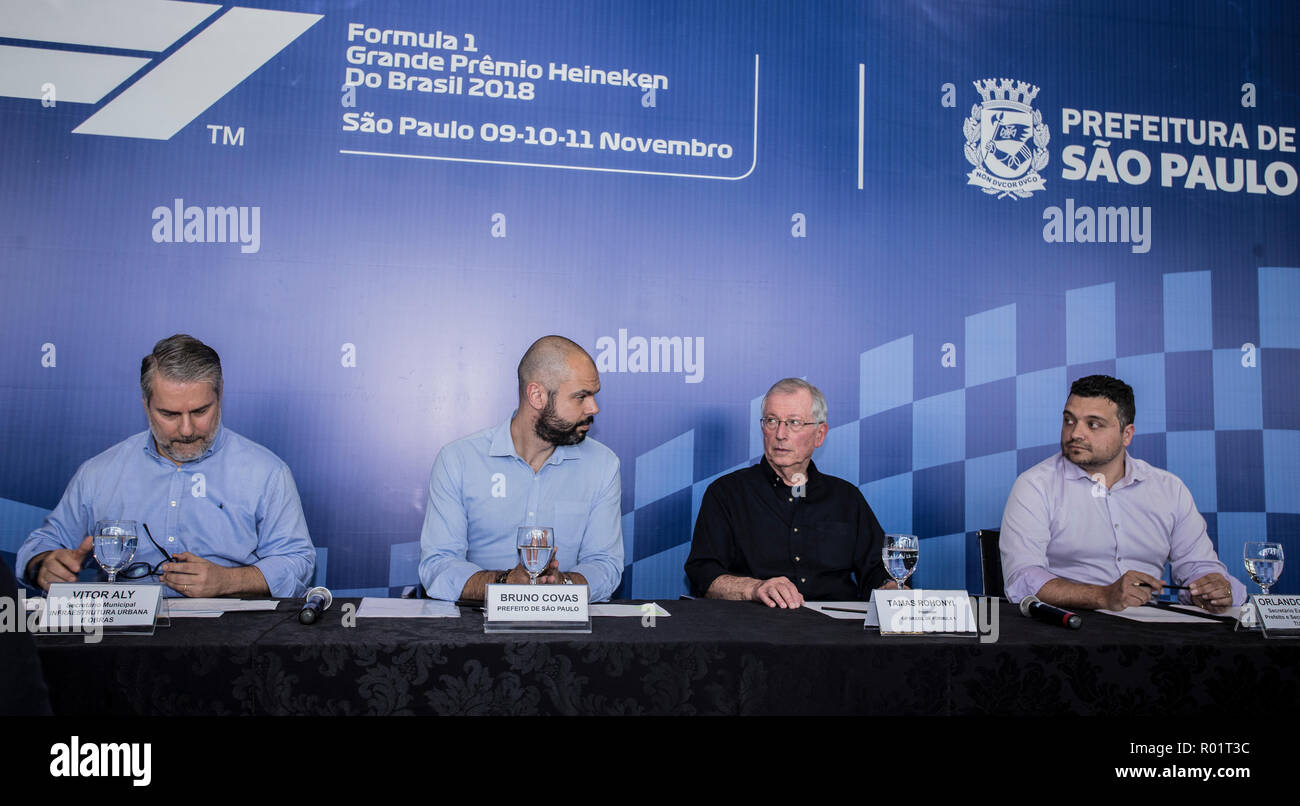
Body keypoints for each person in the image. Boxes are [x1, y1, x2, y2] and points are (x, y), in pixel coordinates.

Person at [17, 334, 315, 598]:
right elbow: (41, 545)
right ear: (146, 404)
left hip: (227, 641)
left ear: (220, 394)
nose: (186, 429)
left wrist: (228, 580)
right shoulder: (99, 473)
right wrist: (43, 564)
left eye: (200, 411)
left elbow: (297, 562)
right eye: (169, 414)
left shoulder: (266, 473)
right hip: (119, 641)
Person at [1000, 374, 1245, 613]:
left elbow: (1198, 566)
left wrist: (1212, 586)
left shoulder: (1169, 489)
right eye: (1069, 420)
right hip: (1068, 624)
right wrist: (1103, 595)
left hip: (1152, 630)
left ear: (1126, 434)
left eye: (1093, 424)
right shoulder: (1035, 485)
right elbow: (1023, 579)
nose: (1075, 433)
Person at [418, 335, 623, 602]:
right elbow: (437, 566)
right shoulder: (458, 460)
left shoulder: (603, 465)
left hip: (568, 634)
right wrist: (505, 582)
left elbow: (605, 565)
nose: (593, 407)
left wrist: (564, 584)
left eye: (593, 395)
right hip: (474, 632)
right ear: (536, 395)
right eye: (581, 396)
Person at [685, 378, 892, 607]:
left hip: (835, 634)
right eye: (772, 421)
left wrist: (893, 590)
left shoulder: (846, 498)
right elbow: (703, 574)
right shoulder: (726, 493)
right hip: (753, 630)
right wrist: (754, 588)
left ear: (819, 434)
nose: (780, 434)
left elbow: (879, 570)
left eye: (794, 422)